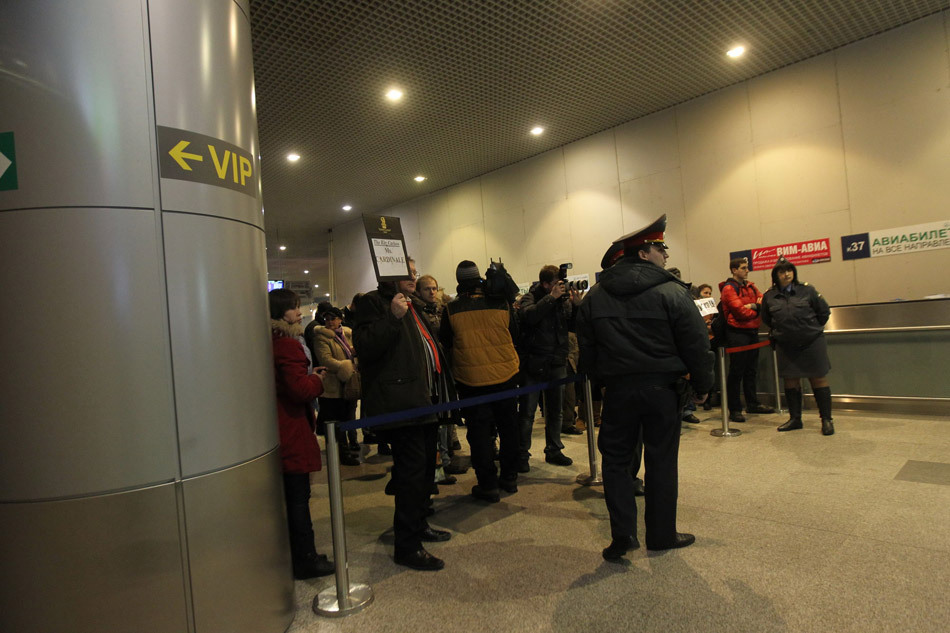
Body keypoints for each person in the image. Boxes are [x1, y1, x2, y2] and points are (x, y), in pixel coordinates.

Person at [577, 215, 713, 561]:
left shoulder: (595, 296)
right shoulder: (672, 292)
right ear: (642, 254)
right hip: (661, 392)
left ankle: (623, 534)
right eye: (659, 249)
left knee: (617, 463)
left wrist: (595, 388)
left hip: (618, 392)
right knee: (661, 462)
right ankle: (661, 534)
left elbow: (587, 349)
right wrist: (702, 386)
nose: (665, 256)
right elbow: (696, 344)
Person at [353, 258, 454, 571]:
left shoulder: (414, 303)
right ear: (389, 274)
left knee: (425, 470)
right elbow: (366, 347)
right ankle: (407, 546)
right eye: (407, 272)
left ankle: (419, 524)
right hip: (401, 401)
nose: (413, 276)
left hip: (424, 399)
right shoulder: (374, 303)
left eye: (414, 271)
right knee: (411, 473)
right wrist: (393, 317)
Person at [440, 260, 521, 502]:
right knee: (509, 430)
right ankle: (509, 478)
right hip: (505, 376)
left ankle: (488, 486)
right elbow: (515, 335)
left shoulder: (451, 309)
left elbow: (446, 341)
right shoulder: (502, 303)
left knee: (479, 434)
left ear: (459, 281)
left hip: (471, 381)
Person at [268, 289, 335, 579]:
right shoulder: (287, 345)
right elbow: (300, 390)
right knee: (298, 497)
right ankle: (306, 558)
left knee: (291, 497)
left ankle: (299, 554)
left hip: (277, 426)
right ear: (284, 312)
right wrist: (316, 380)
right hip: (291, 427)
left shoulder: (268, 341)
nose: (299, 312)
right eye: (295, 308)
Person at [517, 265, 582, 470]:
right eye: (556, 284)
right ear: (545, 284)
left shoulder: (562, 300)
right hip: (534, 362)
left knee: (556, 411)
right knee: (527, 413)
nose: (560, 288)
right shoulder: (531, 297)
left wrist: (578, 306)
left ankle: (554, 450)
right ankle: (521, 455)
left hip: (556, 361)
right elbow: (529, 317)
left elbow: (572, 326)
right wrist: (550, 298)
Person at [762, 258, 835, 435]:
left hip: (812, 342)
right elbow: (766, 318)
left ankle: (826, 420)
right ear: (775, 275)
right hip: (786, 344)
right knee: (790, 380)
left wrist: (811, 329)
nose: (786, 274)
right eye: (781, 271)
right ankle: (795, 419)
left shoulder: (807, 290)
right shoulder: (769, 296)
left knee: (818, 378)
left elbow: (824, 312)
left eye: (789, 270)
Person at [719, 258, 774, 422]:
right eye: (743, 268)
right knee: (736, 372)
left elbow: (762, 302)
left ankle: (752, 403)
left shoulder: (750, 286)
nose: (747, 270)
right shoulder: (729, 289)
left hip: (752, 332)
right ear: (734, 270)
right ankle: (735, 409)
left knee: (751, 370)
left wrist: (753, 307)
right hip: (737, 333)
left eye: (747, 267)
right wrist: (755, 310)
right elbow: (739, 312)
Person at [312, 306, 361, 465]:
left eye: (333, 318)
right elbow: (325, 359)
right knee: (337, 421)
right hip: (332, 386)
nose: (330, 322)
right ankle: (343, 454)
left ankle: (350, 446)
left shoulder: (346, 334)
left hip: (348, 384)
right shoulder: (321, 336)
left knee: (348, 417)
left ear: (340, 319)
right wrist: (346, 366)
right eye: (327, 319)